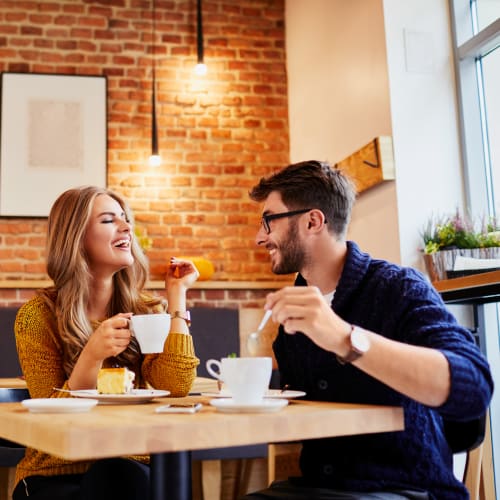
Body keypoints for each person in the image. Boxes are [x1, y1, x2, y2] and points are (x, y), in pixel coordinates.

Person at [244, 161, 493, 500]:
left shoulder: (398, 288)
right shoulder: (295, 312)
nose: (260, 237)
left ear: (312, 221)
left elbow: (474, 387)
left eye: (269, 221)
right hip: (322, 489)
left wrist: (346, 339)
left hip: (406, 489)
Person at [12, 185, 200, 500]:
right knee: (117, 476)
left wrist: (177, 297)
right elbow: (50, 426)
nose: (126, 227)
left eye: (125, 219)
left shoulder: (147, 310)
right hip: (57, 476)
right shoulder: (37, 317)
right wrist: (92, 356)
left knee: (120, 473)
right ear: (76, 237)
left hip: (131, 467)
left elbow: (176, 385)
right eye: (109, 220)